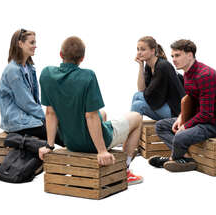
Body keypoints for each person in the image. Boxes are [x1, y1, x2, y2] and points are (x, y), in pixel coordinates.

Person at [39, 36, 143, 185]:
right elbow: (91, 116)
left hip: (70, 141)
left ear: (61, 55)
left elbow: (50, 112)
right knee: (137, 117)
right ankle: (124, 170)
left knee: (103, 114)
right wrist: (101, 151)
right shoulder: (87, 76)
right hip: (92, 143)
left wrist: (49, 145)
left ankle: (102, 167)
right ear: (82, 58)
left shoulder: (47, 74)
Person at [148, 39, 216, 172]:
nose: (174, 59)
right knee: (161, 126)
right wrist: (181, 117)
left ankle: (172, 159)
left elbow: (207, 114)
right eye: (172, 56)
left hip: (215, 124)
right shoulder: (187, 74)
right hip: (200, 118)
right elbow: (190, 101)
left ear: (190, 55)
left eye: (178, 55)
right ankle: (184, 157)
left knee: (181, 136)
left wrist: (186, 125)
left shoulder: (205, 75)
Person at [0, 29, 63, 146]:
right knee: (60, 134)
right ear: (20, 44)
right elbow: (26, 103)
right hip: (17, 122)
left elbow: (34, 100)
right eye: (32, 43)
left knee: (59, 127)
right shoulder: (13, 71)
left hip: (28, 119)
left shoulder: (29, 68)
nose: (35, 46)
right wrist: (46, 118)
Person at [131, 36, 185, 120]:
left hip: (175, 112)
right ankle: (135, 130)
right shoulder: (149, 66)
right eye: (138, 49)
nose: (139, 53)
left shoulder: (162, 66)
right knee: (137, 105)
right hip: (164, 107)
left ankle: (131, 128)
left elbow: (150, 95)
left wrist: (142, 93)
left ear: (152, 51)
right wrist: (141, 66)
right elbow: (142, 89)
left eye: (143, 49)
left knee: (137, 96)